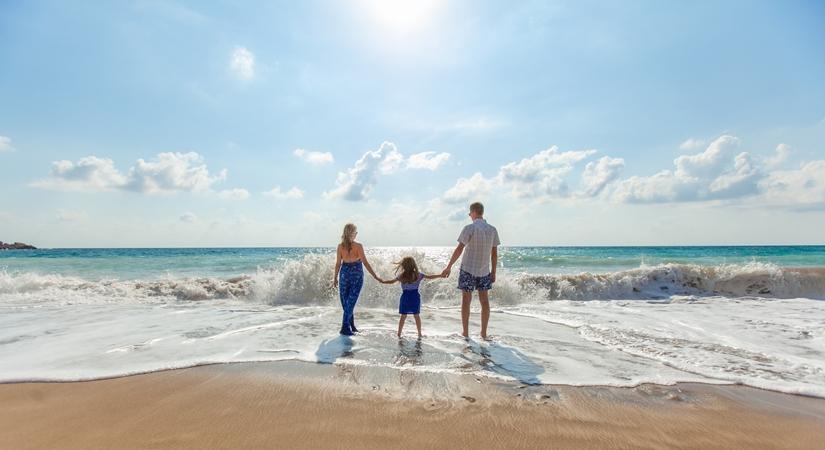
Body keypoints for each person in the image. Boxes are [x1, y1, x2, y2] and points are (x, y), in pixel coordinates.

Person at [441, 202, 500, 339]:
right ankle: (483, 333)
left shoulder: (469, 228)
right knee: (484, 302)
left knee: (466, 301)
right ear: (482, 212)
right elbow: (494, 254)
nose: (469, 216)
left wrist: (449, 266)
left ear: (473, 212)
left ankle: (466, 333)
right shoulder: (492, 230)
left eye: (469, 213)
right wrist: (494, 272)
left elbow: (459, 249)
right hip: (485, 270)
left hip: (468, 269)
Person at [333, 223, 381, 335]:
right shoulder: (357, 246)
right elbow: (365, 262)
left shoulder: (341, 246)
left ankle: (351, 326)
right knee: (348, 303)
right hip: (355, 274)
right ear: (352, 233)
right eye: (355, 232)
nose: (356, 234)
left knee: (348, 302)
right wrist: (375, 276)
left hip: (345, 274)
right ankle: (345, 327)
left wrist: (335, 278)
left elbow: (338, 264)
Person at [380, 256, 443, 338]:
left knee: (403, 316)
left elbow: (391, 282)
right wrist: (440, 275)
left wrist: (382, 281)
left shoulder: (401, 276)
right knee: (416, 315)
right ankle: (419, 333)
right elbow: (430, 277)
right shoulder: (418, 275)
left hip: (405, 297)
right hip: (415, 297)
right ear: (414, 265)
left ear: (403, 266)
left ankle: (399, 333)